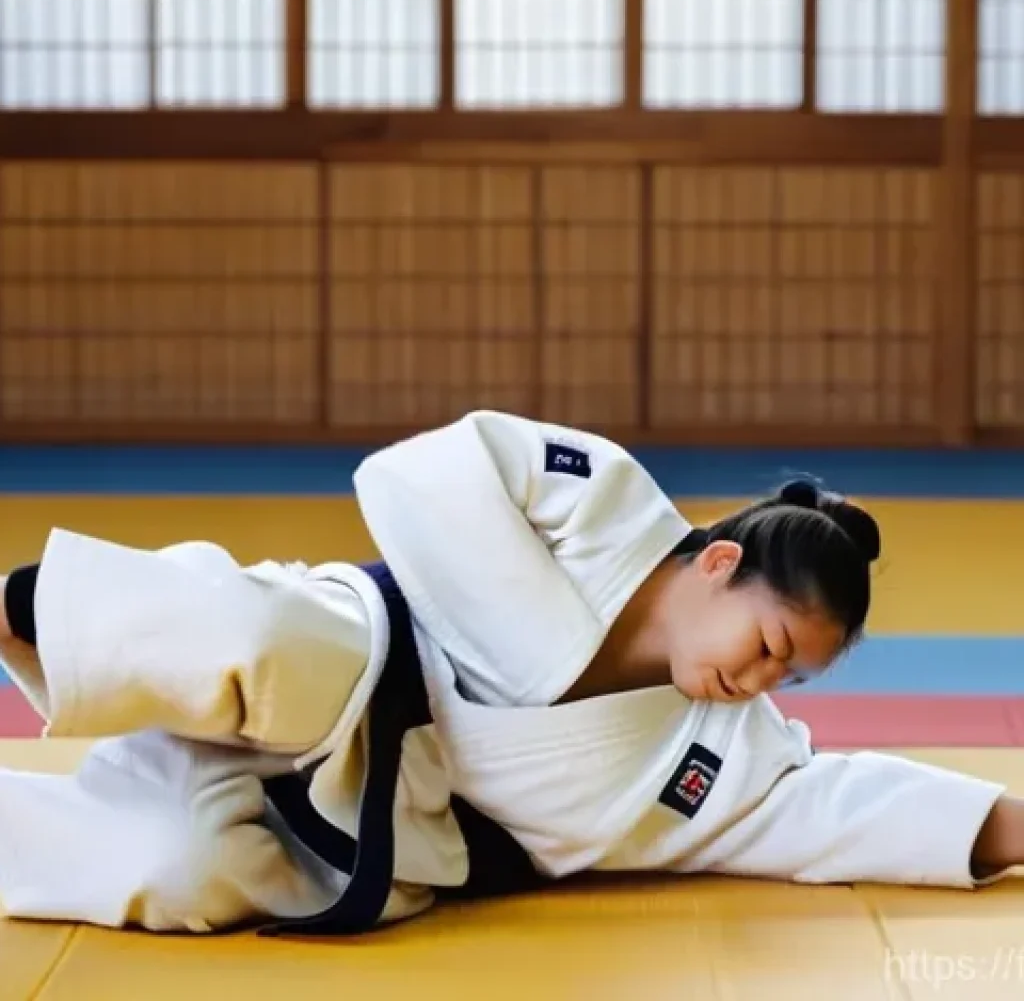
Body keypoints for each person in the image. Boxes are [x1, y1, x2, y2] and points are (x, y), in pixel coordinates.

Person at [0, 409, 1020, 938]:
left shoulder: (725, 756)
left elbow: (844, 803)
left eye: (788, 683)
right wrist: (526, 651)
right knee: (261, 638)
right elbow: (411, 475)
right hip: (360, 655)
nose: (758, 685)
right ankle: (31, 611)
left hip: (396, 823)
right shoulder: (603, 501)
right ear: (719, 566)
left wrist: (1008, 827)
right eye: (766, 647)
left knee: (179, 868)